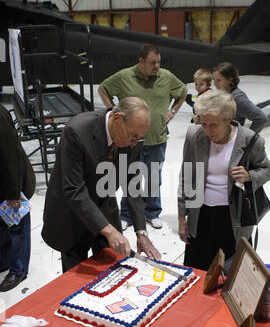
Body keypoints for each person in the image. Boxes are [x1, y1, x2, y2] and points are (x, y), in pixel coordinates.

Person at [41, 97, 161, 273]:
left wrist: (141, 231)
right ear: (117, 118)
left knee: (112, 272)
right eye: (133, 136)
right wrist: (109, 231)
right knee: (75, 280)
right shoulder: (77, 131)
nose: (135, 143)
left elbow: (132, 184)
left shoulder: (132, 138)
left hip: (105, 207)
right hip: (72, 216)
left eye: (140, 138)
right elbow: (74, 190)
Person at [178, 90, 270, 271]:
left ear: (228, 119)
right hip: (201, 215)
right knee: (197, 271)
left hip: (234, 217)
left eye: (213, 125)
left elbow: (268, 170)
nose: (207, 130)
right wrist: (182, 216)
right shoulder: (194, 135)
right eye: (203, 123)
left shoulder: (250, 140)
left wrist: (249, 176)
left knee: (230, 273)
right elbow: (186, 177)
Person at [98, 43, 187, 231]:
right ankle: (126, 214)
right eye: (152, 62)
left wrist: (172, 111)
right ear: (141, 61)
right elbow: (103, 89)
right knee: (130, 178)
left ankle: (152, 212)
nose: (156, 66)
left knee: (154, 177)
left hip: (157, 139)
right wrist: (113, 111)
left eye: (159, 62)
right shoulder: (124, 77)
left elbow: (183, 92)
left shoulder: (166, 77)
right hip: (130, 141)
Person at [0, 104, 36, 292]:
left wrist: (13, 192)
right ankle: (4, 261)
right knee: (2, 225)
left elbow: (10, 156)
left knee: (17, 227)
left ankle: (19, 270)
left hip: (12, 183)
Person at [212, 62, 267, 133]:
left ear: (230, 80)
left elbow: (261, 118)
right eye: (214, 79)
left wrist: (248, 138)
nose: (215, 84)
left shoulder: (237, 98)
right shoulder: (222, 93)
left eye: (219, 80)